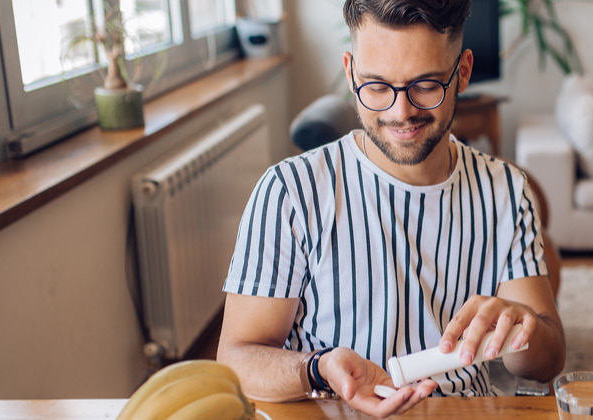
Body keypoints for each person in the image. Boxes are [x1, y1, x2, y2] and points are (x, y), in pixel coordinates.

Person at [216, 0, 565, 417]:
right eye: (377, 86)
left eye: (425, 85)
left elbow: (548, 359)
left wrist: (522, 326)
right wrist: (318, 368)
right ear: (350, 72)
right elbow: (235, 361)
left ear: (463, 73)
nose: (401, 113)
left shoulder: (505, 189)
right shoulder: (290, 192)